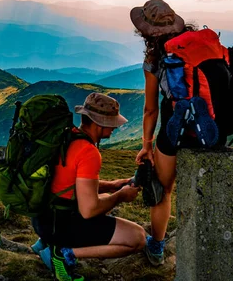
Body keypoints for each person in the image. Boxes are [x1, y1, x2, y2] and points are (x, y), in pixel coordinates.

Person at [31, 92, 146, 281]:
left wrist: (112, 186)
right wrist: (120, 196)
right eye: (112, 122)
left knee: (99, 200)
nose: (115, 127)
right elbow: (89, 211)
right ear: (100, 123)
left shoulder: (67, 137)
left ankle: (45, 242)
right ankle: (63, 253)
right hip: (60, 224)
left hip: (43, 219)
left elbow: (70, 185)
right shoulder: (89, 152)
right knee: (138, 238)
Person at [130, 0, 198, 265]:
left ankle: (157, 246)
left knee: (164, 190)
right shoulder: (198, 44)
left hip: (175, 129)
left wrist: (147, 144)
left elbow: (151, 109)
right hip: (211, 130)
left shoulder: (155, 58)